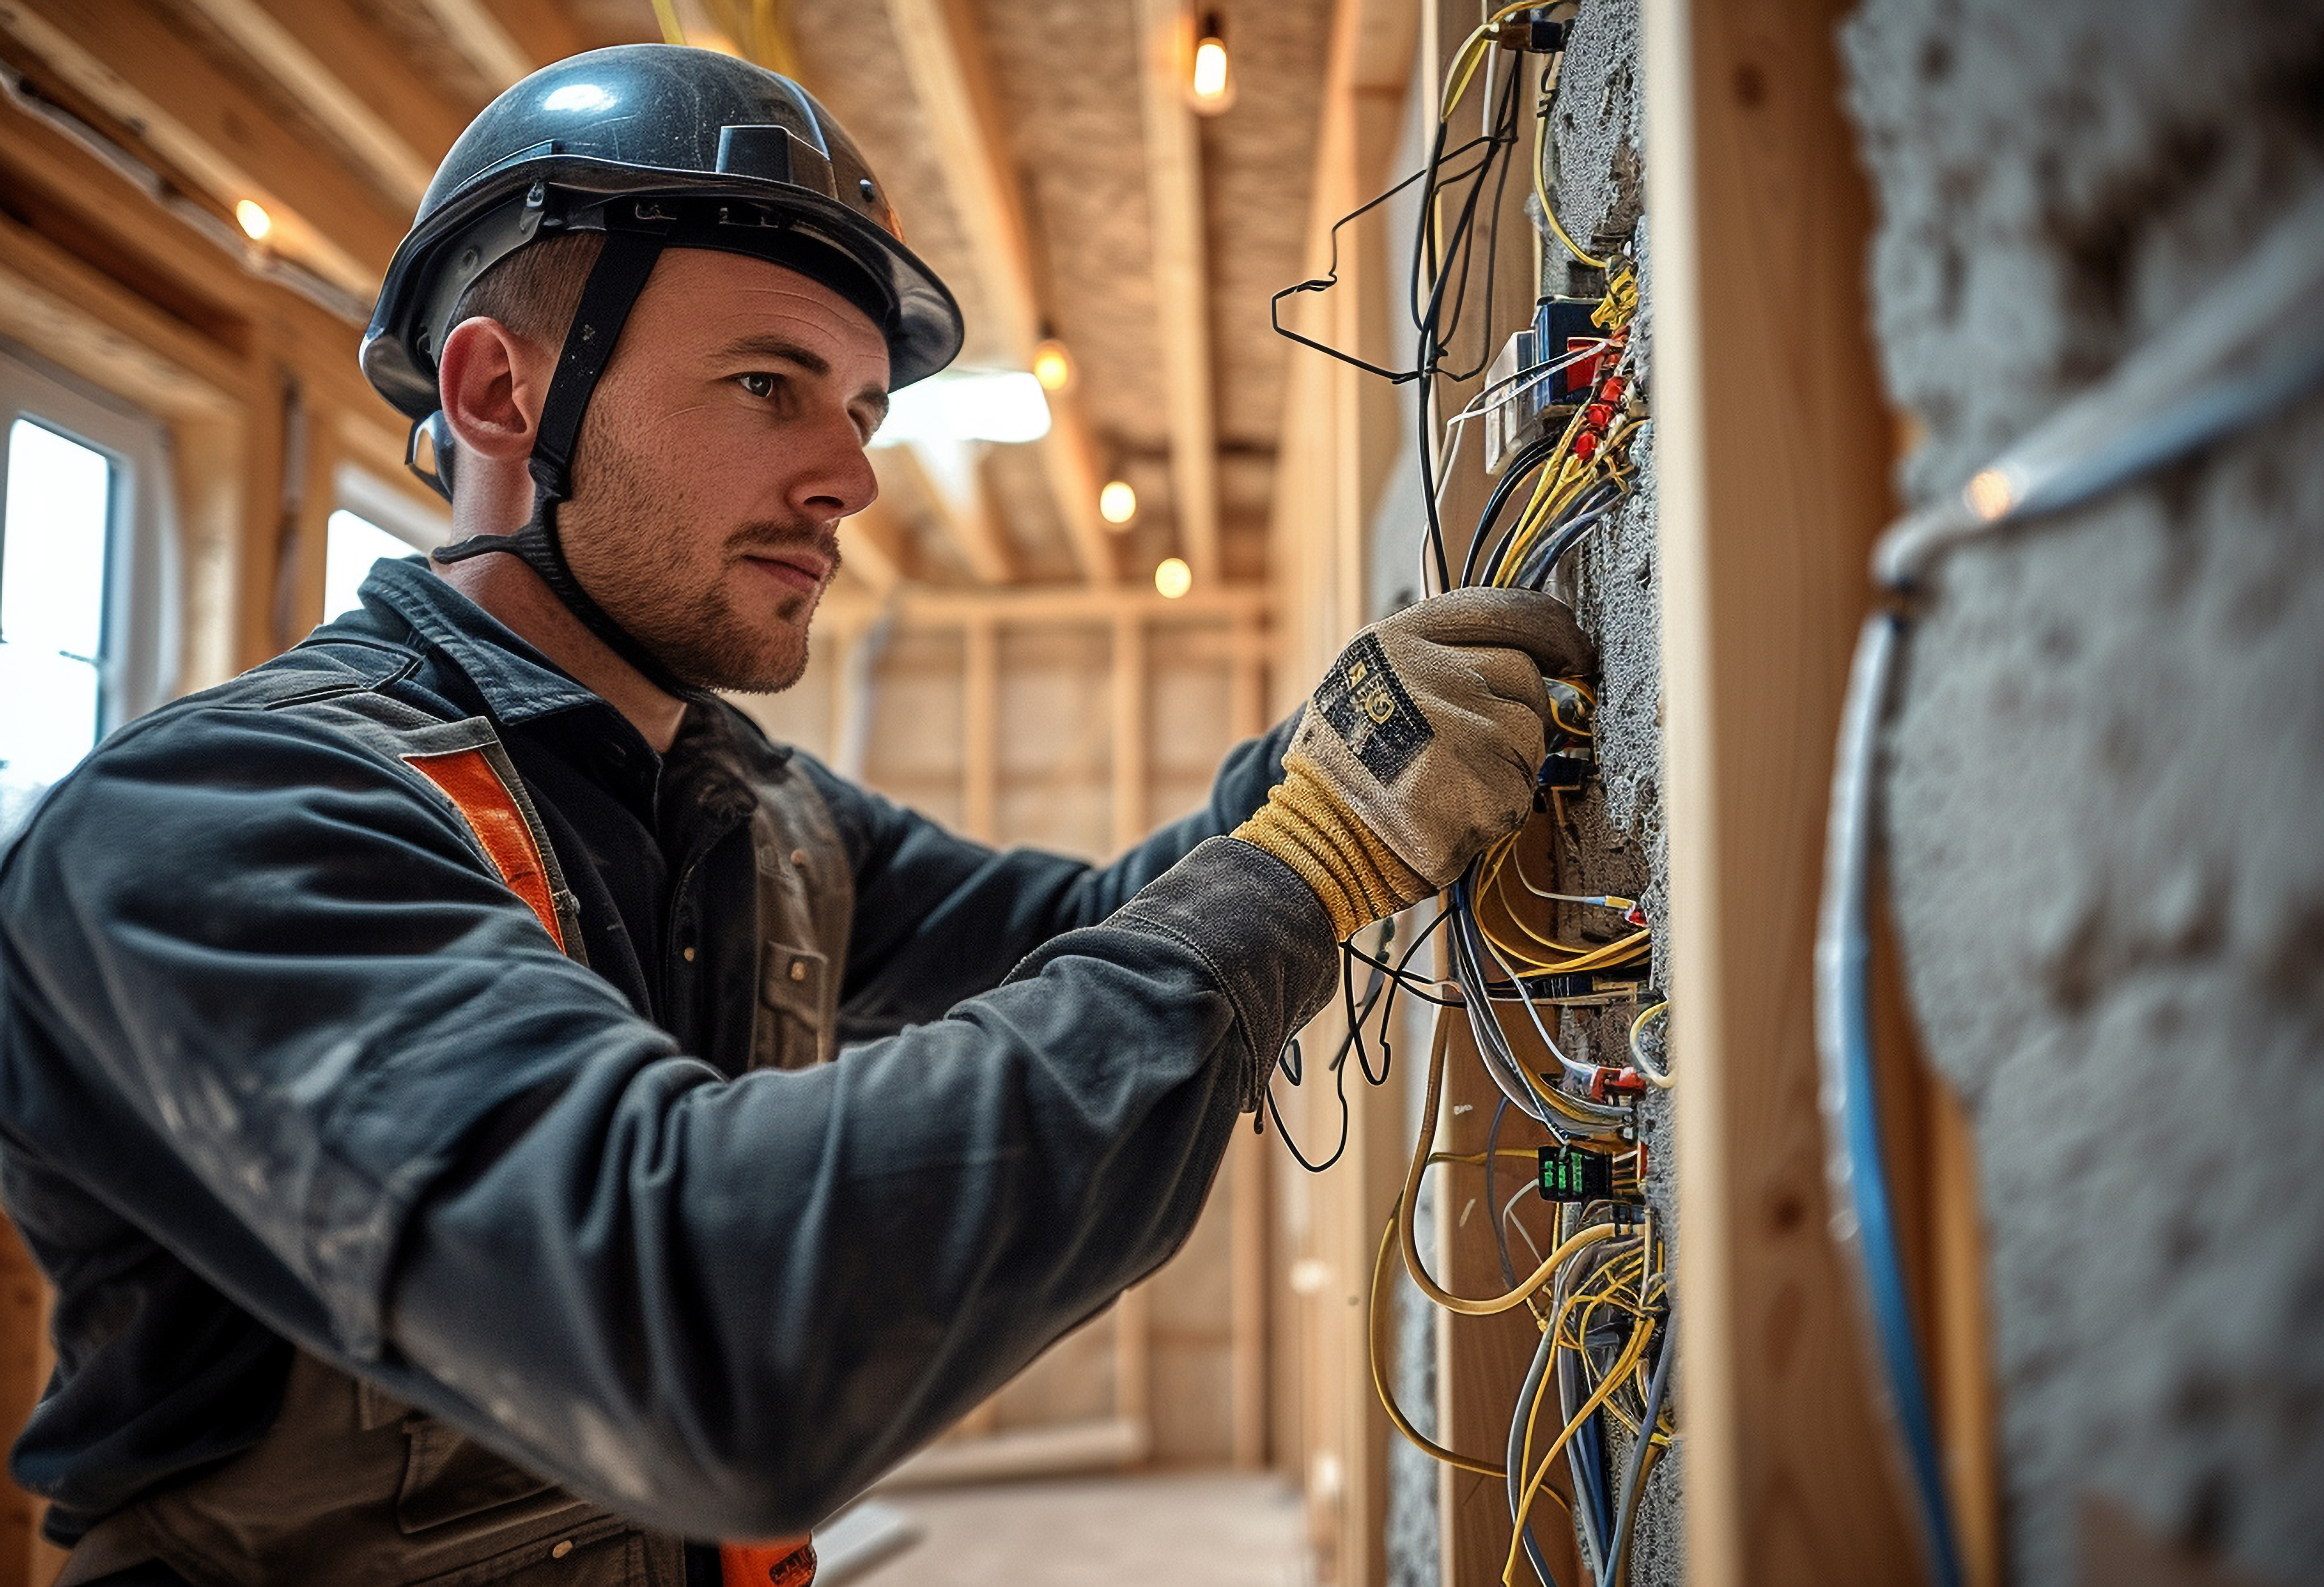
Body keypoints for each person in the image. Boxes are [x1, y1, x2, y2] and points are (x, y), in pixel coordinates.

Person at [0, 44, 1588, 1587]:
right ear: (498, 395)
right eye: (769, 384)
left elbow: (1082, 930)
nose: (851, 478)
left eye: (865, 412)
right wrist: (1308, 863)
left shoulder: (755, 810)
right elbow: (701, 1330)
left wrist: (1319, 767)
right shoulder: (219, 822)